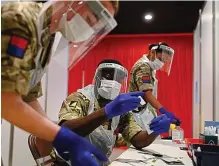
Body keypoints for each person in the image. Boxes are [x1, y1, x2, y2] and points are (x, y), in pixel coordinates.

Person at [1, 1, 144, 166]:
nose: (90, 29)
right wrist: (61, 136)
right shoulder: (22, 19)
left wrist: (54, 135)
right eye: (92, 19)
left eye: (97, 26)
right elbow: (6, 101)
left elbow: (29, 97)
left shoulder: (46, 38)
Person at [53, 59, 172, 165]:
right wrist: (107, 112)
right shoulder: (81, 98)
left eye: (118, 79)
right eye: (108, 76)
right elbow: (65, 130)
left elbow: (137, 140)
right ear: (97, 78)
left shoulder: (120, 106)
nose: (113, 82)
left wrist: (154, 131)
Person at [129, 42, 181, 136]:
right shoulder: (143, 66)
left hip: (143, 111)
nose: (162, 63)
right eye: (161, 59)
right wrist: (164, 111)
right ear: (152, 52)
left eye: (164, 62)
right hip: (137, 113)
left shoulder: (150, 68)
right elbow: (147, 94)